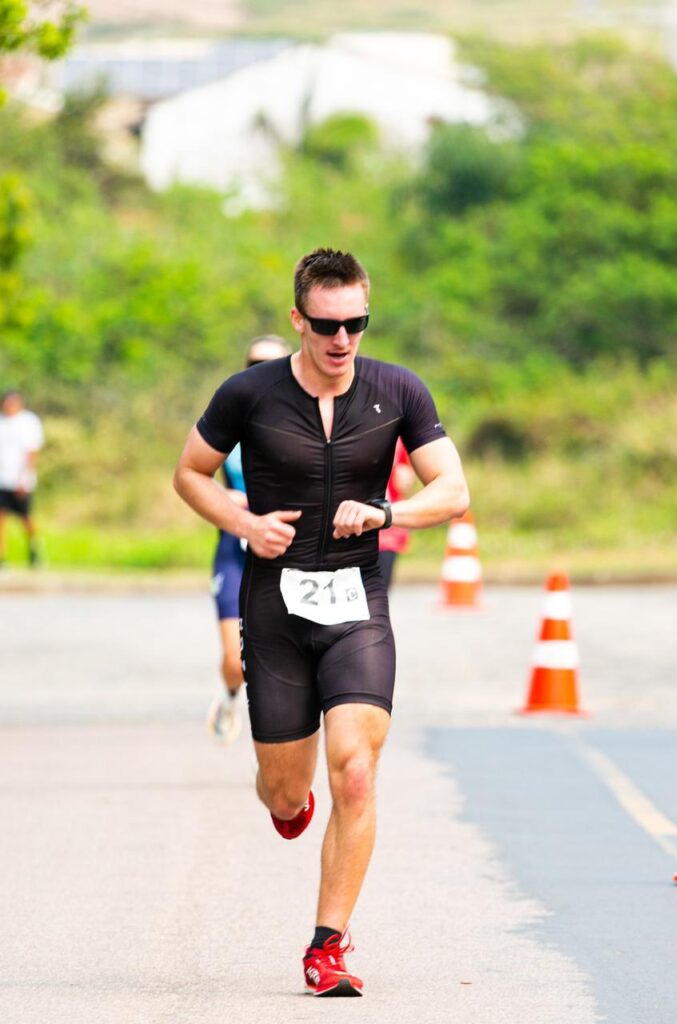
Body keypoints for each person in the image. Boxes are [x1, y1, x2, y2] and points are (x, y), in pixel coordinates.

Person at [173, 247, 469, 997]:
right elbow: (188, 473)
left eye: (356, 324)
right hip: (274, 609)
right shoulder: (249, 393)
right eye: (328, 325)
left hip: (356, 603)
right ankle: (288, 799)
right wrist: (243, 524)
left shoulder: (398, 390)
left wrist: (386, 510)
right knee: (284, 793)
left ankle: (327, 945)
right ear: (298, 320)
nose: (342, 341)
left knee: (358, 773)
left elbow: (454, 490)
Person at [206, 334, 292, 743]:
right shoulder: (229, 421)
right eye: (254, 364)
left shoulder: (303, 423)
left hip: (286, 555)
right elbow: (193, 479)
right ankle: (227, 697)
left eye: (272, 365)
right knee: (235, 661)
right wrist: (232, 498)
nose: (262, 373)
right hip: (235, 551)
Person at [0, 390, 44, 568]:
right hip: (2, 479)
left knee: (26, 518)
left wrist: (24, 479)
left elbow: (32, 452)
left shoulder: (28, 422)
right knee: (1, 518)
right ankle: (2, 556)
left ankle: (35, 548)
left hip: (20, 480)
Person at [378, 437, 415, 589]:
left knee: (378, 600)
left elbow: (405, 468)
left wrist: (406, 476)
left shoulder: (397, 429)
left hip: (387, 533)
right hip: (350, 530)